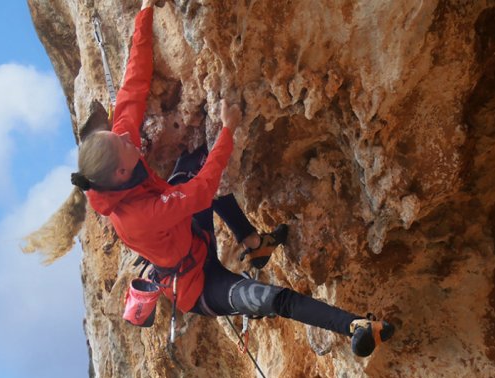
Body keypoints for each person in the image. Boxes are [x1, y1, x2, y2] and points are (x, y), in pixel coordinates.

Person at [26, 0, 394, 357]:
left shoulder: (118, 154)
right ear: (121, 173)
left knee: (195, 158)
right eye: (124, 143)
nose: (128, 136)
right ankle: (357, 327)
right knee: (269, 299)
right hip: (198, 287)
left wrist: (144, 11)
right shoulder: (136, 217)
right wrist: (228, 129)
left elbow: (132, 87)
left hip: (191, 236)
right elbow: (200, 192)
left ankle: (253, 242)